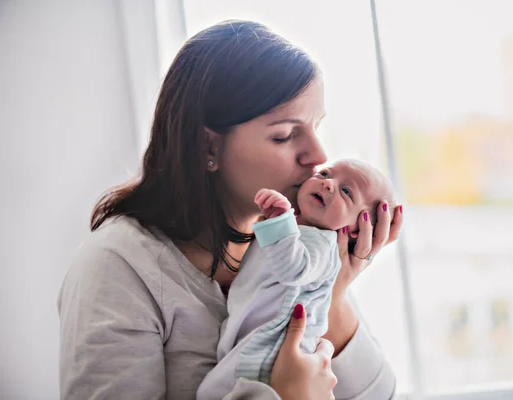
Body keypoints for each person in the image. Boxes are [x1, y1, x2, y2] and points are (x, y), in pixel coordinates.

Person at [57, 20, 403, 400]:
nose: (318, 156)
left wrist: (332, 295)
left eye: (316, 126)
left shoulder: (294, 242)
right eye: (285, 135)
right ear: (208, 147)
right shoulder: (118, 267)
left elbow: (378, 394)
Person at [197, 160, 396, 400]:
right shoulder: (300, 232)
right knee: (211, 390)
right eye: (324, 173)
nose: (327, 184)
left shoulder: (323, 243)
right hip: (260, 341)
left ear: (355, 229)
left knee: (215, 392)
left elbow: (294, 269)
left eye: (346, 191)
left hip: (274, 349)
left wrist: (280, 219)